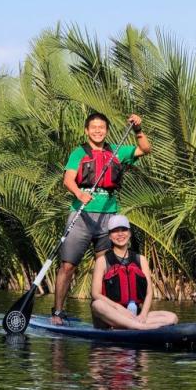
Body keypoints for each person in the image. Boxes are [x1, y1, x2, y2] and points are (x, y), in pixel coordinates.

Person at [51, 112, 151, 325]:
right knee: (68, 266)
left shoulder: (117, 151)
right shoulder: (78, 153)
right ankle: (58, 312)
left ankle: (102, 317)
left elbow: (144, 149)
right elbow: (68, 179)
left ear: (107, 130)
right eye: (93, 127)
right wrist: (79, 194)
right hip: (82, 215)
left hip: (109, 218)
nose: (98, 130)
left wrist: (138, 130)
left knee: (104, 267)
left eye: (102, 127)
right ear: (87, 131)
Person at [91, 215, 178, 330]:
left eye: (123, 230)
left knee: (172, 317)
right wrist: (118, 308)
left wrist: (143, 315)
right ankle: (140, 327)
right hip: (111, 315)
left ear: (130, 233)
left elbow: (148, 293)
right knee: (97, 305)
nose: (120, 234)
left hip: (134, 315)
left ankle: (135, 324)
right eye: (115, 231)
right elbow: (95, 294)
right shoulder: (102, 260)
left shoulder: (141, 259)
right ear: (110, 236)